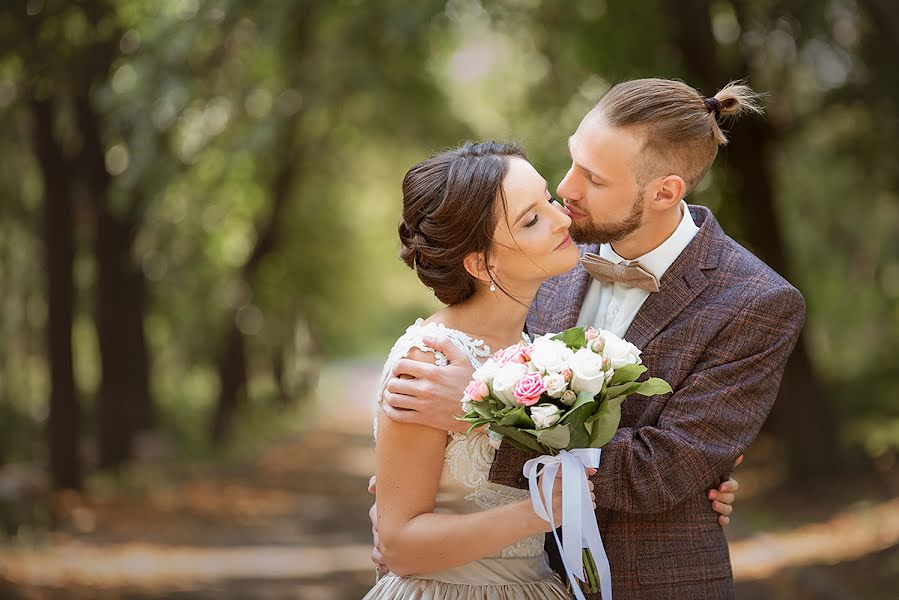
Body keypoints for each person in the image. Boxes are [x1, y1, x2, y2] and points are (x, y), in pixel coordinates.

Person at [378, 79, 804, 599]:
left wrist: (480, 416)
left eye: (593, 178)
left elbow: (664, 470)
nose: (566, 189)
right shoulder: (548, 255)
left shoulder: (755, 302)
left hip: (653, 583)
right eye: (573, 159)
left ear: (665, 191)